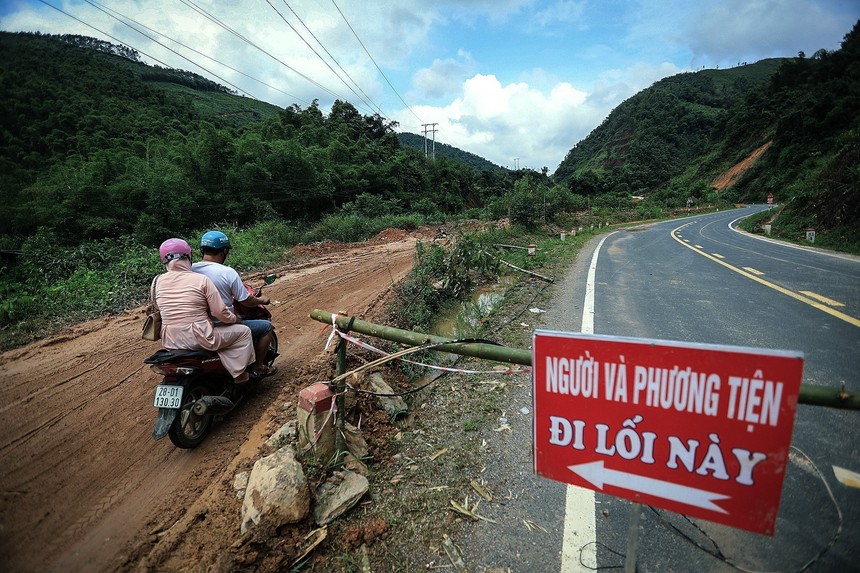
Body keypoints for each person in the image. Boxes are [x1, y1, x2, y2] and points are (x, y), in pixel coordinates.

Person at [153, 238, 255, 384]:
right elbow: (220, 313)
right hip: (199, 337)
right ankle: (240, 374)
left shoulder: (157, 281)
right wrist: (236, 320)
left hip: (170, 339)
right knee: (244, 332)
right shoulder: (201, 280)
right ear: (188, 256)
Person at [191, 231, 277, 378]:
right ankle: (258, 366)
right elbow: (246, 300)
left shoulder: (190, 270)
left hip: (195, 327)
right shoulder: (227, 272)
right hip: (221, 326)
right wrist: (262, 300)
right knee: (266, 327)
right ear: (224, 250)